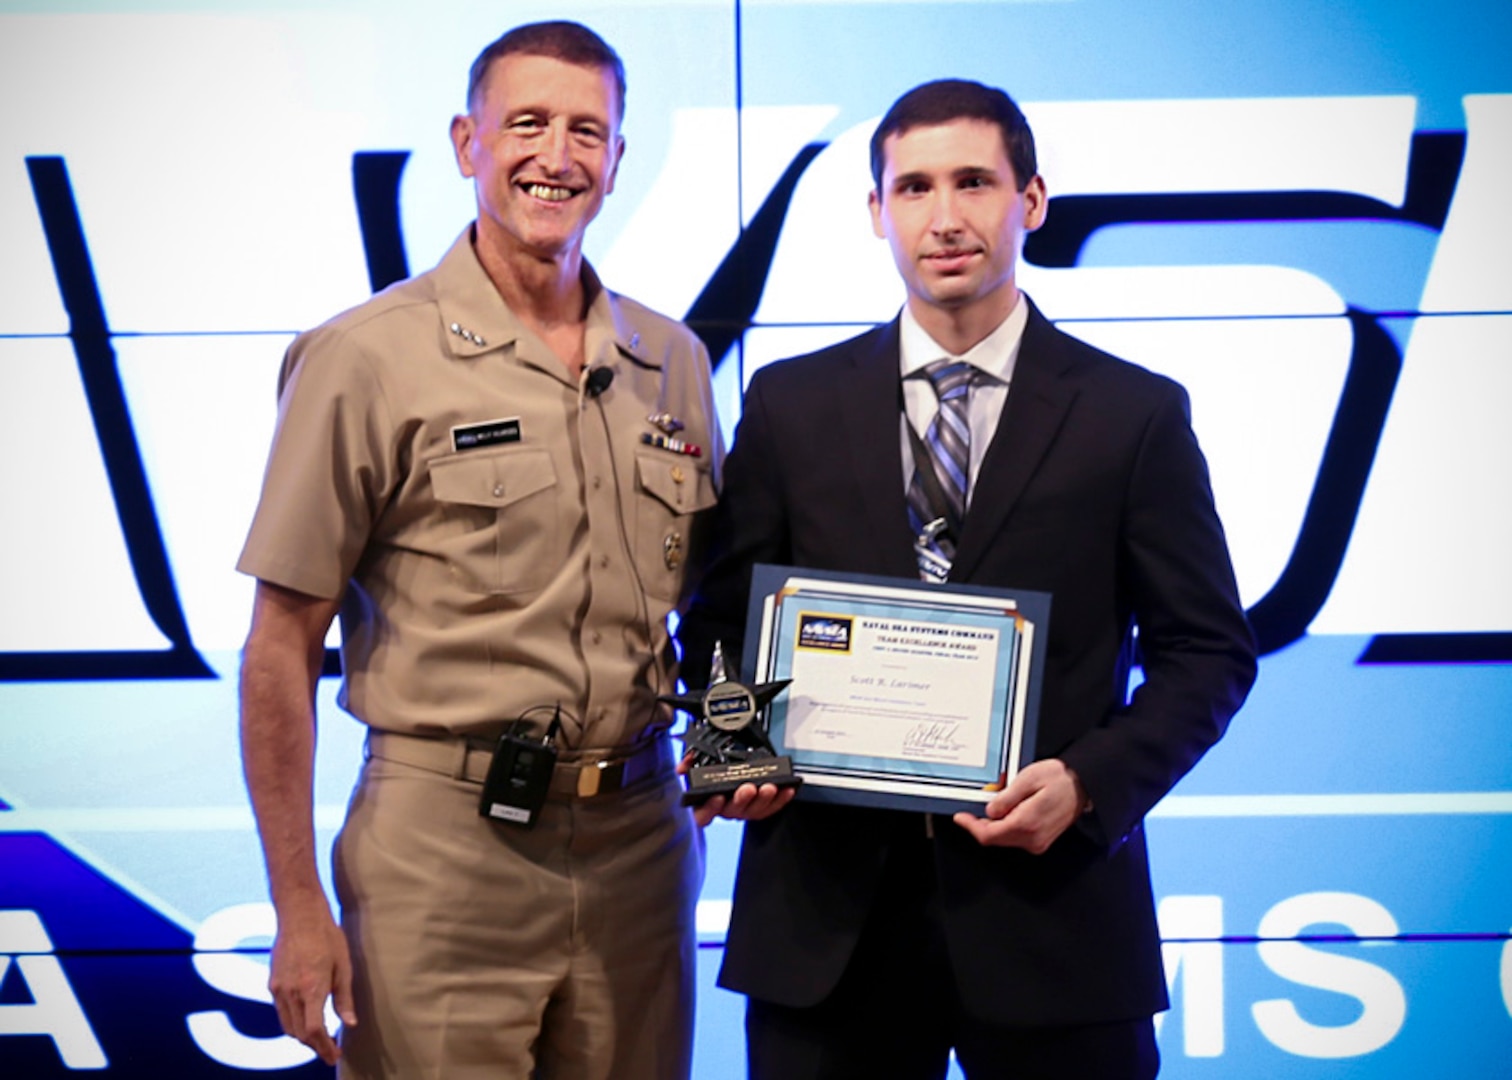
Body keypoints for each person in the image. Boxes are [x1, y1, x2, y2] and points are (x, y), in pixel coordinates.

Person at [677, 78, 1257, 1078]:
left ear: (1030, 201)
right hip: (826, 933)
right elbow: (719, 623)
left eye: (974, 182)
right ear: (876, 212)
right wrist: (736, 743)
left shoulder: (1134, 414)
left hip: (1057, 922)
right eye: (913, 188)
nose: (944, 217)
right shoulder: (788, 405)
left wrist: (1087, 784)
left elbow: (1207, 651)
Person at [237, 20, 721, 1079]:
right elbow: (279, 648)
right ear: (467, 142)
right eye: (527, 125)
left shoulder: (671, 360)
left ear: (618, 158)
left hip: (642, 846)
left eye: (586, 130)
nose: (558, 156)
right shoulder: (362, 357)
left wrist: (742, 754)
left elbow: (719, 607)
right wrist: (295, 902)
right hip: (442, 850)